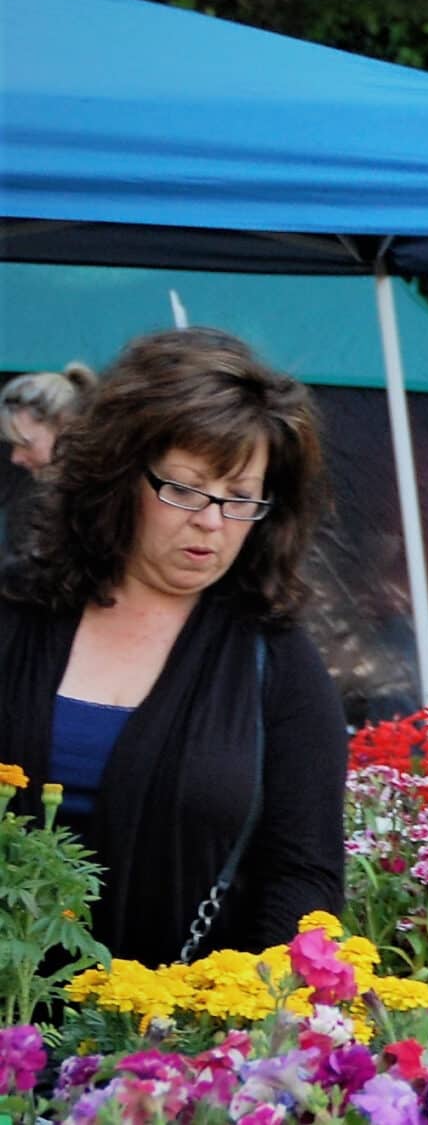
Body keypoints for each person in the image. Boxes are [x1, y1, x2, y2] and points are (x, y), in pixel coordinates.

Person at [0, 329, 345, 964]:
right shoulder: (16, 615)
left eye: (240, 499)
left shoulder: (278, 661)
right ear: (120, 474)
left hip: (173, 1045)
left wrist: (244, 1025)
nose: (211, 522)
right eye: (185, 490)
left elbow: (305, 875)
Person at [0, 363, 97, 549]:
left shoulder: (102, 504)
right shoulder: (29, 499)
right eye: (13, 445)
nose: (15, 457)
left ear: (65, 427)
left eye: (25, 444)